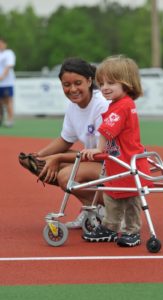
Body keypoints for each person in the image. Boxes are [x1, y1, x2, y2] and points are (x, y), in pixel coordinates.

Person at [19, 57, 109, 228]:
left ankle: (114, 210)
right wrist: (39, 155)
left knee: (65, 176)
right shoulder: (73, 106)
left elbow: (101, 153)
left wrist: (59, 158)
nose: (72, 89)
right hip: (96, 160)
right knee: (41, 164)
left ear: (89, 81)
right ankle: (92, 209)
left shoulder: (101, 105)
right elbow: (65, 139)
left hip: (113, 163)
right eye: (66, 85)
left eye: (78, 83)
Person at [81, 55, 153, 247]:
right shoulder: (118, 104)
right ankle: (110, 227)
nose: (104, 87)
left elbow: (106, 129)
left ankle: (132, 230)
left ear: (127, 83)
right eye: (101, 83)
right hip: (117, 161)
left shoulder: (123, 106)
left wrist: (98, 149)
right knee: (112, 195)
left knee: (130, 199)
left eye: (111, 82)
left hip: (128, 162)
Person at [0, 38, 16, 127]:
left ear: (5, 44)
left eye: (1, 43)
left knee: (8, 101)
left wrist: (2, 76)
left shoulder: (9, 53)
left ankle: (10, 120)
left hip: (7, 83)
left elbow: (8, 66)